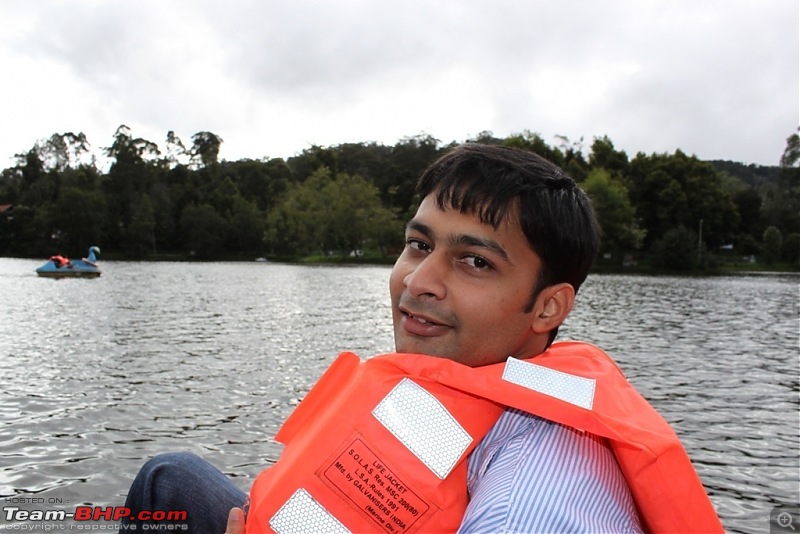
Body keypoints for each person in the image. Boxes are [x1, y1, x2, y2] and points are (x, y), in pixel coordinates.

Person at [124, 143, 722, 533]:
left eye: (475, 263)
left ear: (548, 307)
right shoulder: (485, 376)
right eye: (419, 244)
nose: (419, 281)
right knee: (168, 477)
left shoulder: (538, 493)